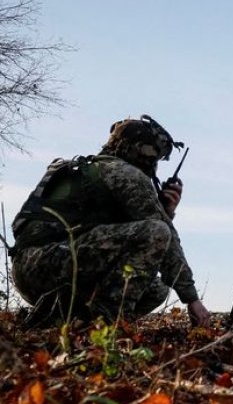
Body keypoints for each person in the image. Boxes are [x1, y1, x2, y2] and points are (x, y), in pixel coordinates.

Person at [9, 114, 211, 328]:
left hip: (31, 270)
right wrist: (192, 299)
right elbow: (160, 236)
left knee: (156, 289)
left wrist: (166, 211)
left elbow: (117, 238)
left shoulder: (87, 168)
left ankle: (67, 323)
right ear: (140, 150)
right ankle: (105, 327)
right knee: (157, 231)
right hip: (51, 265)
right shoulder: (122, 172)